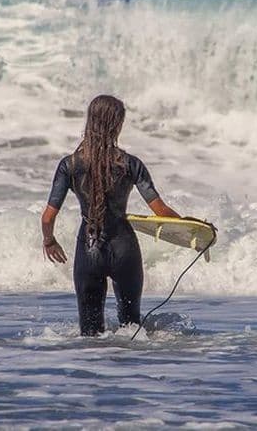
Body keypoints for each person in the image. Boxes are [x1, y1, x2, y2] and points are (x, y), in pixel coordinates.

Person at [40, 95, 182, 336]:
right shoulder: (131, 164)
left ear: (90, 121)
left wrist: (49, 240)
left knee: (90, 335)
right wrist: (190, 228)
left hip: (89, 250)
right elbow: (161, 211)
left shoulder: (69, 165)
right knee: (132, 329)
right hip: (125, 250)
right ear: (117, 125)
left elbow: (47, 217)